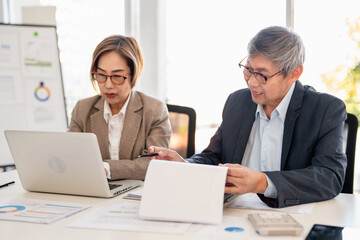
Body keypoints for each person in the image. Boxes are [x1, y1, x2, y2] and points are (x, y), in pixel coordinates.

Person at [149, 26, 347, 208]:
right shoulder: (237, 102)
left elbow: (330, 177)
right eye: (248, 69)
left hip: (294, 216)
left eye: (262, 75)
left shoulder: (325, 109)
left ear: (294, 73)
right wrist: (186, 166)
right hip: (234, 213)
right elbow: (213, 157)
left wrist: (263, 182)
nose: (251, 82)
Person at [68, 35, 172, 180]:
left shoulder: (154, 110)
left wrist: (107, 168)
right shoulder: (82, 109)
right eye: (101, 75)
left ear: (133, 75)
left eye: (117, 76)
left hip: (138, 192)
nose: (108, 85)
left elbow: (153, 164)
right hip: (93, 189)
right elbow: (71, 156)